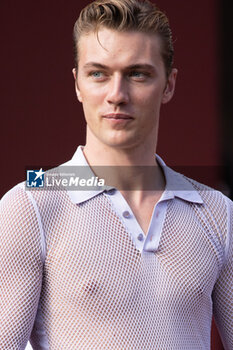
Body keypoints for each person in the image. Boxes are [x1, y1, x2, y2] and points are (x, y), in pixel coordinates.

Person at [0, 0, 232, 349]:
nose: (117, 95)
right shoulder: (30, 204)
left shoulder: (217, 213)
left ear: (168, 85)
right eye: (99, 73)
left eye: (137, 73)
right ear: (77, 84)